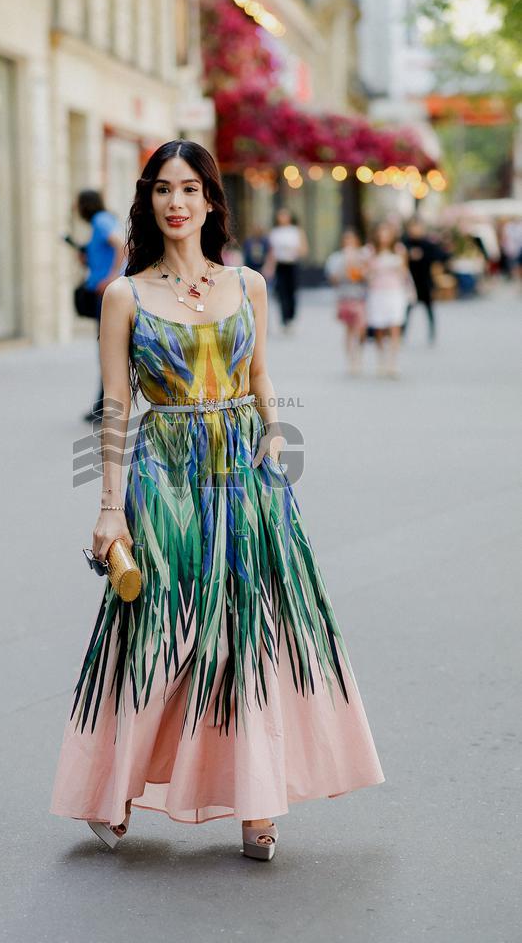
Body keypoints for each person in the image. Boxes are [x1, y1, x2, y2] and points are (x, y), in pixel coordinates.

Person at [49, 140, 385, 859]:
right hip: (164, 472)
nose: (176, 203)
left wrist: (275, 435)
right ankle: (114, 790)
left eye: (189, 189)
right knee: (157, 631)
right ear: (148, 202)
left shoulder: (248, 285)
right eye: (163, 190)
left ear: (210, 202)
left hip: (245, 475)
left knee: (248, 632)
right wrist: (109, 508)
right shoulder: (124, 296)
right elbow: (116, 407)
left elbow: (259, 372)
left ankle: (257, 805)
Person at [75, 190, 125, 423]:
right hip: (103, 293)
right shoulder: (104, 220)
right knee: (107, 350)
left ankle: (106, 407)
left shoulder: (100, 220)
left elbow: (121, 246)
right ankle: (102, 405)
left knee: (107, 350)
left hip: (105, 294)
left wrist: (111, 277)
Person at [363, 221, 416, 379]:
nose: (384, 236)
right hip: (377, 292)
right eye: (381, 232)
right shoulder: (370, 251)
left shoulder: (399, 250)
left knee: (395, 324)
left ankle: (393, 362)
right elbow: (364, 272)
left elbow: (405, 271)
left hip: (395, 292)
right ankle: (381, 358)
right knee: (379, 326)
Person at [325, 228, 368, 375]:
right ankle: (351, 360)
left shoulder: (363, 256)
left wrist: (356, 263)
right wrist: (345, 263)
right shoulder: (336, 258)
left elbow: (365, 276)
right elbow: (333, 279)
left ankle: (359, 354)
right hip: (345, 297)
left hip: (360, 297)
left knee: (361, 328)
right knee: (349, 329)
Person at [265, 208, 308, 334]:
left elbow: (304, 249)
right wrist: (269, 266)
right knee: (281, 292)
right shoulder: (275, 232)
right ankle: (284, 319)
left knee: (292, 291)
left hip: (292, 264)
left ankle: (291, 317)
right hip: (280, 265)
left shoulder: (296, 231)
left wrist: (294, 251)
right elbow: (271, 252)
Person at [401, 217, 440, 343]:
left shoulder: (427, 244)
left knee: (429, 308)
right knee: (407, 309)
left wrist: (423, 255)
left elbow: (437, 257)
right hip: (410, 282)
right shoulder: (404, 243)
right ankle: (402, 333)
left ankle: (432, 333)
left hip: (424, 281)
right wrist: (409, 255)